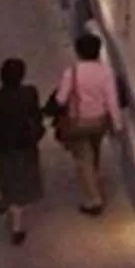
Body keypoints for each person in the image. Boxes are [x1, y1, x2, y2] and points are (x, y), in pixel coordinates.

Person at [0, 56, 47, 244]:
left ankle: (15, 222)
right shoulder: (30, 93)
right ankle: (12, 214)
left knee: (7, 179)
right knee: (22, 180)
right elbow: (37, 117)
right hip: (26, 145)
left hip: (3, 148)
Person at [49, 31, 122, 215]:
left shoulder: (72, 72)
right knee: (94, 149)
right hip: (99, 122)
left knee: (83, 159)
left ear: (78, 52)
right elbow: (112, 100)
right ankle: (95, 177)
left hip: (78, 122)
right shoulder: (106, 72)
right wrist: (117, 124)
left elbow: (61, 98)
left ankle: (93, 200)